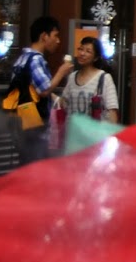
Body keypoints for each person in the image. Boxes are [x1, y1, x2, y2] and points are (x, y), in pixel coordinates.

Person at [10, 16, 75, 160]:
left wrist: (56, 98)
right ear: (44, 36)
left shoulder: (23, 58)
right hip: (35, 126)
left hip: (22, 122)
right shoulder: (36, 59)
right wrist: (61, 72)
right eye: (55, 35)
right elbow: (44, 90)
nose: (58, 41)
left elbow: (31, 88)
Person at [61, 36, 120, 124]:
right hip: (73, 133)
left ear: (95, 58)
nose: (82, 53)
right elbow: (64, 103)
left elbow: (112, 110)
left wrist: (111, 134)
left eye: (88, 51)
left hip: (95, 134)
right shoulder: (72, 77)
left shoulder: (104, 78)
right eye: (81, 49)